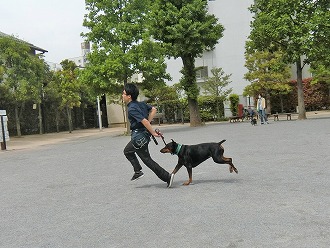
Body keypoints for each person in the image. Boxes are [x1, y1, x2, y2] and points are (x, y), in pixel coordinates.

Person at [122, 83, 174, 188]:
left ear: (129, 96)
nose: (122, 96)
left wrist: (153, 132)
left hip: (138, 137)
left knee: (147, 159)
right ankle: (137, 171)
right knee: (127, 151)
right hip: (143, 135)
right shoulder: (141, 104)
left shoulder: (132, 108)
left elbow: (144, 121)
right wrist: (148, 126)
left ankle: (167, 177)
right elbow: (153, 109)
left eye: (123, 93)